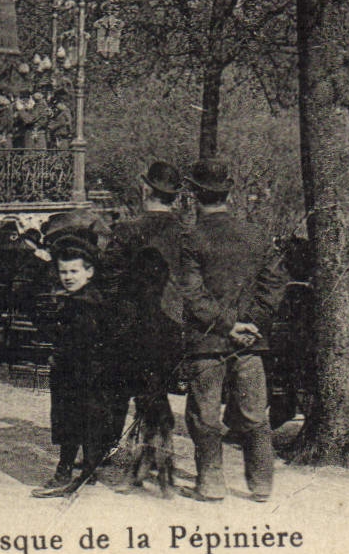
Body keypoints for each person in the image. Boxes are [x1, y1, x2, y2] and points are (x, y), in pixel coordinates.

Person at [176, 157, 286, 503]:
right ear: (229, 193)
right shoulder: (256, 236)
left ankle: (210, 483)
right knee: (255, 414)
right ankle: (261, 483)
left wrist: (228, 325)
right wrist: (251, 323)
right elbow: (275, 283)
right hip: (251, 341)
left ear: (193, 194)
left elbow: (193, 295)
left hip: (207, 341)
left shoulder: (190, 239)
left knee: (205, 414)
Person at [108, 160, 186, 496]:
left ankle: (141, 466)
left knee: (146, 395)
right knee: (156, 394)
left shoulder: (127, 230)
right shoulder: (186, 232)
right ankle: (158, 465)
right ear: (175, 198)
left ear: (146, 191)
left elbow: (109, 278)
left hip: (135, 325)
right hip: (174, 326)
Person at [30, 217, 122, 499]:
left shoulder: (85, 304)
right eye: (63, 271)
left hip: (83, 374)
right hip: (77, 373)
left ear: (90, 272)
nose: (68, 276)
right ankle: (87, 471)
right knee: (83, 421)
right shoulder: (81, 299)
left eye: (74, 271)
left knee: (74, 422)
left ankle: (64, 474)